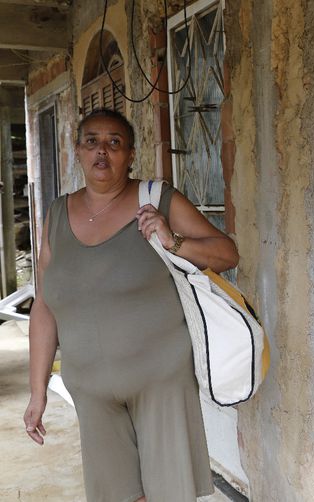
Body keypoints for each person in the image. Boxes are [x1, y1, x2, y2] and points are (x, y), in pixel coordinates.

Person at [23, 108, 240, 501]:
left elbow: (226, 254)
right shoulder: (56, 215)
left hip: (160, 382)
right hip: (90, 389)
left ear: (130, 154)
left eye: (114, 143)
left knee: (168, 495)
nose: (102, 152)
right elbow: (45, 306)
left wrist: (172, 239)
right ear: (77, 151)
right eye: (92, 141)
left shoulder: (156, 199)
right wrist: (37, 392)